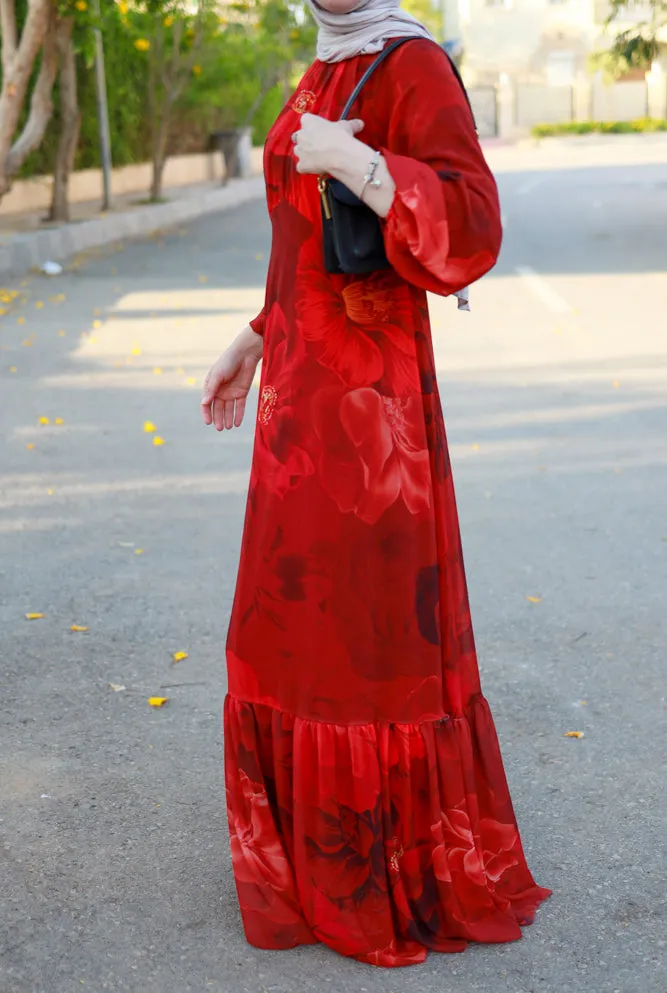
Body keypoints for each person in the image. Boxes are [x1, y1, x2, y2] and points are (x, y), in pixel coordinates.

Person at [200, 0, 551, 968]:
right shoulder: (321, 66)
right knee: (293, 635)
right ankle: (307, 862)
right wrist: (252, 341)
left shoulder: (409, 67)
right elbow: (305, 249)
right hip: (296, 413)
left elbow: (473, 225)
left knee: (365, 637)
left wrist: (360, 164)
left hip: (368, 424)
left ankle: (375, 869)